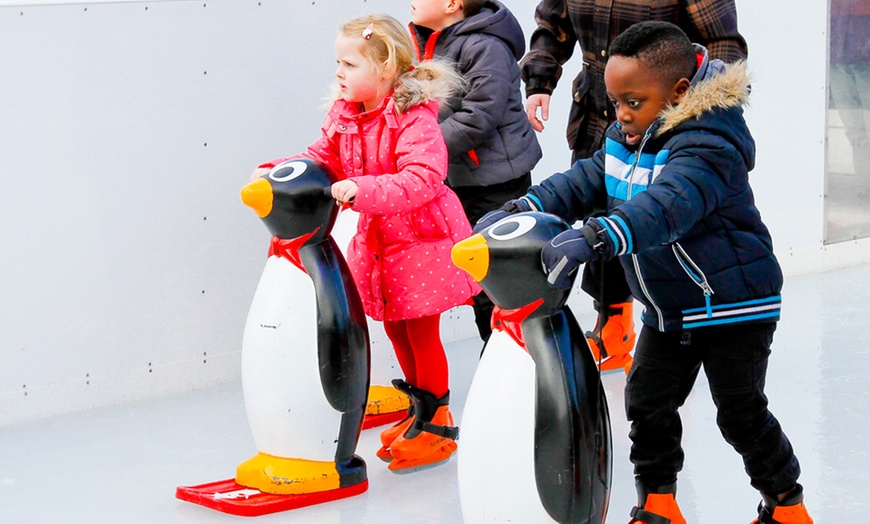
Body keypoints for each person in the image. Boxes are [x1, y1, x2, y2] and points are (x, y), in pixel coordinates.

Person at [476, 21, 813, 523]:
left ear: (679, 92)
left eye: (633, 101)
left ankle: (786, 506)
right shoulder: (624, 137)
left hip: (734, 303)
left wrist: (598, 236)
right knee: (647, 404)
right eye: (615, 103)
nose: (622, 115)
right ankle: (657, 504)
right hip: (668, 306)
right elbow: (583, 180)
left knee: (740, 413)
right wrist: (524, 206)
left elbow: (668, 206)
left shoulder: (709, 143)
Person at [251, 13, 478, 473]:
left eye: (350, 64)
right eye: (338, 62)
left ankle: (437, 424)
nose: (339, 72)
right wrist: (283, 169)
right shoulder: (346, 115)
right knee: (396, 328)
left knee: (421, 332)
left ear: (386, 69)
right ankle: (419, 412)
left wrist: (364, 190)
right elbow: (322, 156)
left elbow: (424, 177)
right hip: (381, 241)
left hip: (420, 240)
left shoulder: (413, 117)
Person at [520, 0, 748, 373]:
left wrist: (693, 117)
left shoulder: (704, 145)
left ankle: (673, 323)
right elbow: (552, 25)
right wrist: (539, 82)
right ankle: (613, 323)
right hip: (599, 113)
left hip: (670, 122)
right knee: (601, 213)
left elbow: (723, 41)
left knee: (650, 221)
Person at [408, 0, 542, 345]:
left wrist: (421, 148)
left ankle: (515, 359)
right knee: (475, 275)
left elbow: (479, 115)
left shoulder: (485, 46)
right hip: (459, 178)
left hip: (496, 182)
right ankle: (498, 353)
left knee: (500, 277)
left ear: (452, 4)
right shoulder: (430, 41)